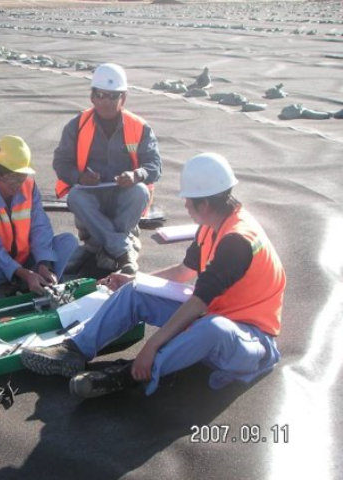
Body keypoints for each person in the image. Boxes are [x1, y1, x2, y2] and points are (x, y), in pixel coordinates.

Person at [21, 153, 286, 399]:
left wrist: (152, 345)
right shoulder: (211, 226)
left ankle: (129, 374)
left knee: (212, 329)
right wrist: (136, 280)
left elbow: (199, 302)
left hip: (249, 339)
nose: (185, 204)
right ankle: (73, 351)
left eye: (188, 199)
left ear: (204, 203)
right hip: (214, 314)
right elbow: (184, 272)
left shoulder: (237, 240)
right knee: (136, 291)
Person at [53, 63, 161, 274]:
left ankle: (97, 246)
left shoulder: (139, 127)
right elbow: (61, 163)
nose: (105, 101)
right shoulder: (77, 126)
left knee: (140, 192)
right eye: (100, 95)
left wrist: (136, 174)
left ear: (124, 98)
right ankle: (122, 251)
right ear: (92, 97)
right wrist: (80, 177)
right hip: (91, 194)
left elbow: (154, 165)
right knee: (75, 196)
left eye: (112, 96)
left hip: (124, 194)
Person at [0, 135, 78, 299]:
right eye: (14, 178)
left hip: (26, 259)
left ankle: (43, 281)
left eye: (22, 177)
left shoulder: (29, 187)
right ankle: (4, 286)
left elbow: (40, 227)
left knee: (68, 241)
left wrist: (44, 264)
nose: (19, 183)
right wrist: (24, 274)